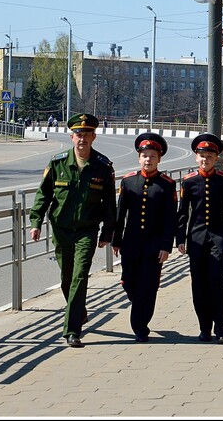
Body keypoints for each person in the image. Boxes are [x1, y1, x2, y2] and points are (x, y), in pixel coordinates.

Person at [29, 113, 117, 347]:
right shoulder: (58, 163)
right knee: (67, 278)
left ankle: (72, 330)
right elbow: (43, 195)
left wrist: (108, 232)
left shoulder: (102, 166)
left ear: (93, 137)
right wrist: (35, 222)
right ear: (71, 137)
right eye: (78, 135)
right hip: (61, 229)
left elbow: (109, 203)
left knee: (80, 275)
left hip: (87, 231)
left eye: (87, 134)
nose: (82, 139)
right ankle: (79, 310)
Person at [176, 133, 223, 344]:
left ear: (216, 158)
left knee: (217, 281)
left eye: (210, 156)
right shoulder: (189, 182)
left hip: (218, 238)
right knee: (199, 284)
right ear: (196, 157)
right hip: (196, 239)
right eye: (202, 156)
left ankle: (220, 326)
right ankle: (204, 327)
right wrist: (180, 239)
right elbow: (183, 213)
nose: (205, 160)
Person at [112, 132, 176, 342]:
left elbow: (170, 218)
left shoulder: (167, 184)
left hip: (154, 245)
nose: (148, 160)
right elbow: (120, 213)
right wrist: (116, 239)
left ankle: (140, 326)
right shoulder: (129, 181)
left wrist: (166, 245)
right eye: (144, 155)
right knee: (129, 282)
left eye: (152, 156)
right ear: (139, 158)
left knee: (148, 287)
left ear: (159, 159)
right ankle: (137, 303)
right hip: (131, 243)